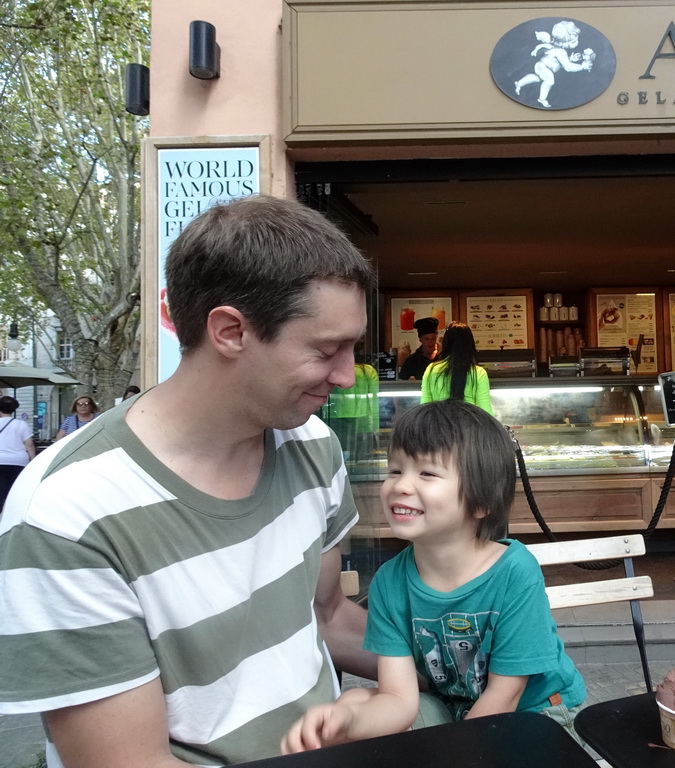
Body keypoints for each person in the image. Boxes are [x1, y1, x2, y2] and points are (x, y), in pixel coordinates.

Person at [0, 195, 379, 768]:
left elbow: (327, 617)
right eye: (327, 350)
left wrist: (484, 662)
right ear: (229, 330)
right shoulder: (66, 515)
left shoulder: (313, 447)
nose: (348, 376)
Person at [282, 400, 586, 754]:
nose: (400, 485)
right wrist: (349, 725)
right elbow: (398, 698)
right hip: (454, 707)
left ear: (480, 501)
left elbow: (506, 695)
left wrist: (455, 755)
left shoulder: (514, 571)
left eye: (427, 473)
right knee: (358, 702)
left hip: (537, 713)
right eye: (395, 471)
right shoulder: (390, 582)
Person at [419, 321, 494, 416]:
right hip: (468, 428)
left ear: (446, 343)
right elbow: (486, 412)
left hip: (439, 427)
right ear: (470, 344)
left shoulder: (431, 369)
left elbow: (425, 407)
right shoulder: (478, 372)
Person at [0, 396, 34, 513]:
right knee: (14, 490)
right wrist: (33, 460)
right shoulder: (21, 424)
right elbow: (29, 445)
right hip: (19, 462)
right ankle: (13, 513)